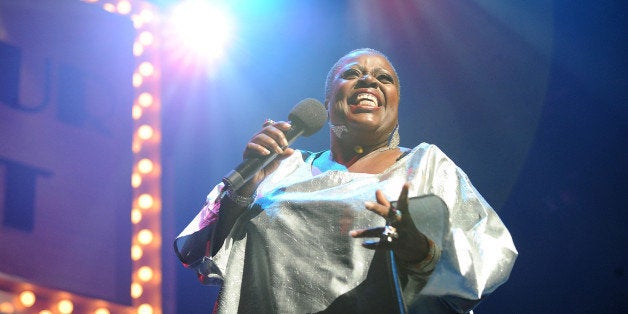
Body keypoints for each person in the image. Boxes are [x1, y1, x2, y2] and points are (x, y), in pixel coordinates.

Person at [174, 48, 517, 313]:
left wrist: (423, 252)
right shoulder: (283, 165)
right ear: (326, 102)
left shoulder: (426, 165)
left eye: (384, 78)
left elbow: (490, 258)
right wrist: (245, 187)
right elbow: (198, 252)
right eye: (352, 73)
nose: (369, 80)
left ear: (395, 103)